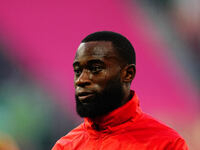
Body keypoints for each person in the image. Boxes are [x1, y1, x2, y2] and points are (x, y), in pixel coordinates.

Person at [52, 31, 188, 150]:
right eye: (78, 71)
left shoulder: (166, 144)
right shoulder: (65, 146)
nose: (81, 80)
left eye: (96, 69)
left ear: (128, 74)